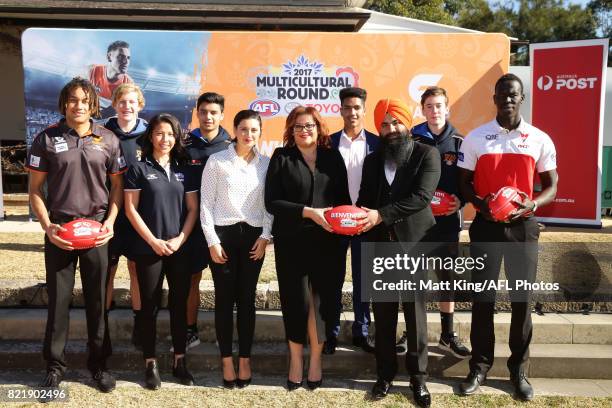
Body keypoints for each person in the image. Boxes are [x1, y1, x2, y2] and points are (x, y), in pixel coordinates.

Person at [457, 73, 558, 401]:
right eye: (502, 95)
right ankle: (479, 365)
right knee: (483, 298)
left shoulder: (539, 138)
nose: (508, 100)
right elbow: (463, 182)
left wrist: (533, 203)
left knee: (522, 301)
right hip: (486, 227)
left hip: (523, 228)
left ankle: (518, 369)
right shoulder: (476, 138)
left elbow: (552, 185)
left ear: (522, 97)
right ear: (495, 99)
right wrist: (479, 203)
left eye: (513, 95)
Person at [26, 77, 126, 397]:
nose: (78, 105)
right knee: (58, 303)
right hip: (61, 232)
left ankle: (99, 365)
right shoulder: (45, 138)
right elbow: (35, 191)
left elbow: (117, 189)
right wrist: (48, 227)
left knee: (98, 302)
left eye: (84, 100)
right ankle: (55, 367)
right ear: (64, 104)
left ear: (93, 105)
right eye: (72, 100)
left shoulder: (108, 139)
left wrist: (110, 223)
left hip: (96, 231)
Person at [356, 98, 440, 407]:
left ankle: (419, 380)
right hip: (380, 245)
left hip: (414, 244)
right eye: (384, 124)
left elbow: (421, 197)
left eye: (396, 123)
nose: (391, 129)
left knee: (415, 315)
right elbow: (365, 197)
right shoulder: (373, 160)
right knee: (384, 313)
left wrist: (380, 214)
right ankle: (385, 375)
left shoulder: (426, 154)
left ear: (407, 124)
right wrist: (355, 217)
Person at [265, 106, 350, 391]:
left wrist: (340, 220)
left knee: (322, 303)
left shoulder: (332, 157)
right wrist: (309, 212)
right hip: (293, 242)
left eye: (310, 126)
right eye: (299, 126)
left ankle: (315, 359)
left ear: (318, 128)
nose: (305, 131)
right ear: (291, 130)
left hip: (329, 242)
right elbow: (272, 202)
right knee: (297, 302)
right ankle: (295, 361)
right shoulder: (281, 157)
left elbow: (343, 199)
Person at [124, 113, 199, 389]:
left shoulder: (186, 170)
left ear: (176, 137)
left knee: (179, 306)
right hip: (148, 249)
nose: (164, 139)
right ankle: (150, 364)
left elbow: (192, 209)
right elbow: (131, 209)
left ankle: (180, 362)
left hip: (180, 248)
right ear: (150, 136)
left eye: (170, 134)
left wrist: (180, 238)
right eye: (159, 133)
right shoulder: (138, 168)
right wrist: (154, 241)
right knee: (149, 308)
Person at [200, 110, 273, 389]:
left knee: (246, 300)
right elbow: (206, 204)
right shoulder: (217, 161)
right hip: (224, 238)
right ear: (234, 130)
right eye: (244, 129)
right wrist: (212, 241)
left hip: (254, 238)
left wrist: (266, 236)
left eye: (254, 130)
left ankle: (244, 358)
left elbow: (270, 204)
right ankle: (226, 360)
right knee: (224, 299)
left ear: (260, 133)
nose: (249, 135)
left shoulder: (266, 164)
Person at [401, 86, 471, 358]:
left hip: (447, 223)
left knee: (446, 279)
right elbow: (402, 179)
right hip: (417, 223)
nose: (434, 111)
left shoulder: (459, 142)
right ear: (422, 109)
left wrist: (460, 202)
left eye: (439, 105)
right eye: (429, 106)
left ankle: (447, 334)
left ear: (447, 108)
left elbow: (468, 182)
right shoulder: (411, 138)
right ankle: (412, 331)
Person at [326, 87, 378, 354]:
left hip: (366, 222)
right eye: (347, 107)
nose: (352, 112)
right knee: (332, 280)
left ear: (364, 110)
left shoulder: (377, 144)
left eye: (357, 107)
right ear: (340, 110)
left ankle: (362, 330)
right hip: (335, 223)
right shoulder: (328, 143)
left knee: (364, 280)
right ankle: (330, 332)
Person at [181, 92, 232, 352]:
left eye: (214, 112)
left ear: (222, 115)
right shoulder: (184, 145)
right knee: (192, 279)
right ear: (197, 113)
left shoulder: (231, 146)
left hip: (222, 227)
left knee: (225, 282)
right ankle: (190, 331)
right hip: (192, 225)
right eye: (203, 112)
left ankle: (226, 333)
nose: (208, 117)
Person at [103, 83, 148, 350]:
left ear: (139, 105)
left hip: (139, 215)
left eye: (132, 102)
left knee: (136, 269)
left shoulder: (149, 134)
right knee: (107, 270)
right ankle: (102, 328)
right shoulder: (102, 132)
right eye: (122, 101)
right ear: (114, 104)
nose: (126, 106)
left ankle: (140, 326)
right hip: (109, 213)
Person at [88, 40, 133, 108]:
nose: (126, 62)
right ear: (109, 57)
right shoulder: (93, 70)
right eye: (121, 57)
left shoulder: (128, 83)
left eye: (128, 58)